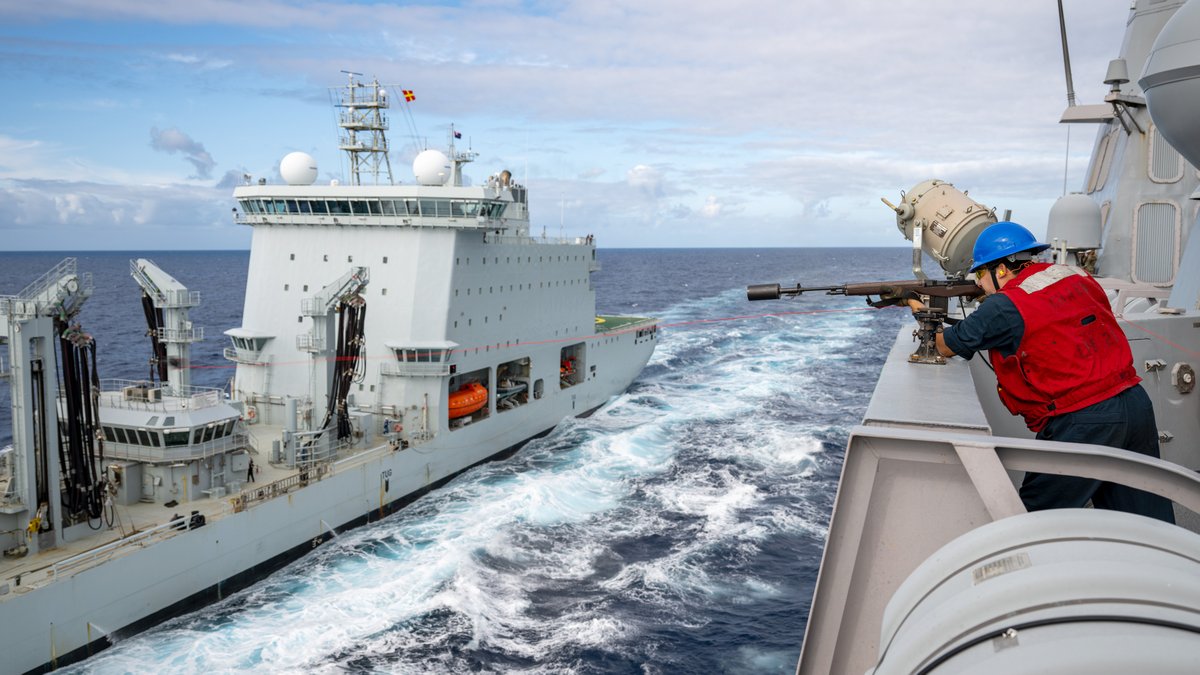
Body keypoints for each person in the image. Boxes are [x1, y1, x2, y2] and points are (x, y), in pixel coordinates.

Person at [908, 221, 1175, 523]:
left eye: (980, 273)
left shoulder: (1004, 307)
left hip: (1083, 422)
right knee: (1145, 522)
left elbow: (943, 346)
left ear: (1002, 270)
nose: (978, 282)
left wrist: (917, 307)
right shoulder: (1077, 276)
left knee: (1032, 522)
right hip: (1134, 403)